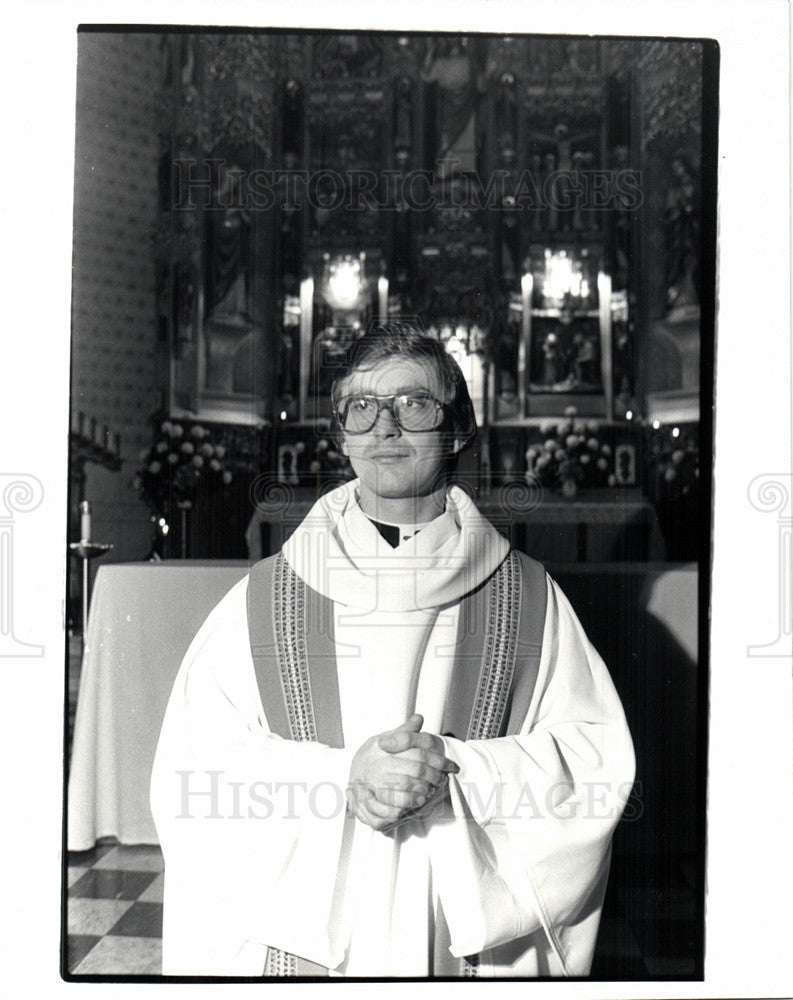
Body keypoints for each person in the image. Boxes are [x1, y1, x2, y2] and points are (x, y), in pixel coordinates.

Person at [150, 323, 635, 978]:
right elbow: (193, 764)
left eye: (412, 404)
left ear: (458, 427)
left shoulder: (529, 597)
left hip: (456, 923)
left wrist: (455, 772)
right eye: (361, 407)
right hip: (312, 942)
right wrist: (341, 781)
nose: (384, 428)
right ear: (341, 436)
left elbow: (593, 760)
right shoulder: (263, 596)